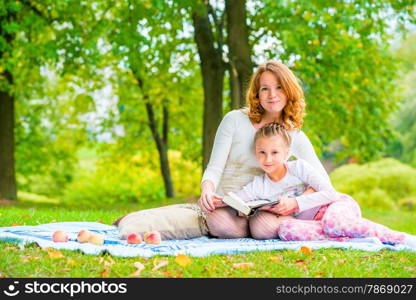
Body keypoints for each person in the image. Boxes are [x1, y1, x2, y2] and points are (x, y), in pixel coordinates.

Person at [223, 122, 416, 247]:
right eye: (261, 153)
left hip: (336, 206)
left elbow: (330, 193)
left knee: (333, 223)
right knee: (286, 229)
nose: (268, 159)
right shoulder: (260, 184)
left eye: (274, 152)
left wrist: (296, 203)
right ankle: (346, 236)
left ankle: (400, 238)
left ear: (286, 152)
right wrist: (221, 201)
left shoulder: (298, 168)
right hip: (312, 223)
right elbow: (240, 198)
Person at [199, 60, 327, 238]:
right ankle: (247, 228)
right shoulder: (234, 120)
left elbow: (322, 180)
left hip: (265, 207)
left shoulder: (294, 135)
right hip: (231, 202)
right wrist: (207, 190)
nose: (272, 95)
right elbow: (214, 167)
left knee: (263, 227)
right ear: (257, 93)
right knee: (220, 225)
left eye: (279, 87)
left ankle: (295, 227)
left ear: (289, 90)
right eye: (265, 88)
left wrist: (296, 203)